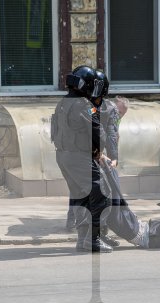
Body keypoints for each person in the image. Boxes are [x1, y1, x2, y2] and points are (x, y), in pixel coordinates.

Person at [52, 65, 111, 253]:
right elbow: (98, 133)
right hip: (79, 157)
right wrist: (99, 150)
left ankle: (82, 239)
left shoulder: (62, 103)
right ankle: (93, 239)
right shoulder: (85, 105)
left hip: (63, 156)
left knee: (80, 197)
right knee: (101, 194)